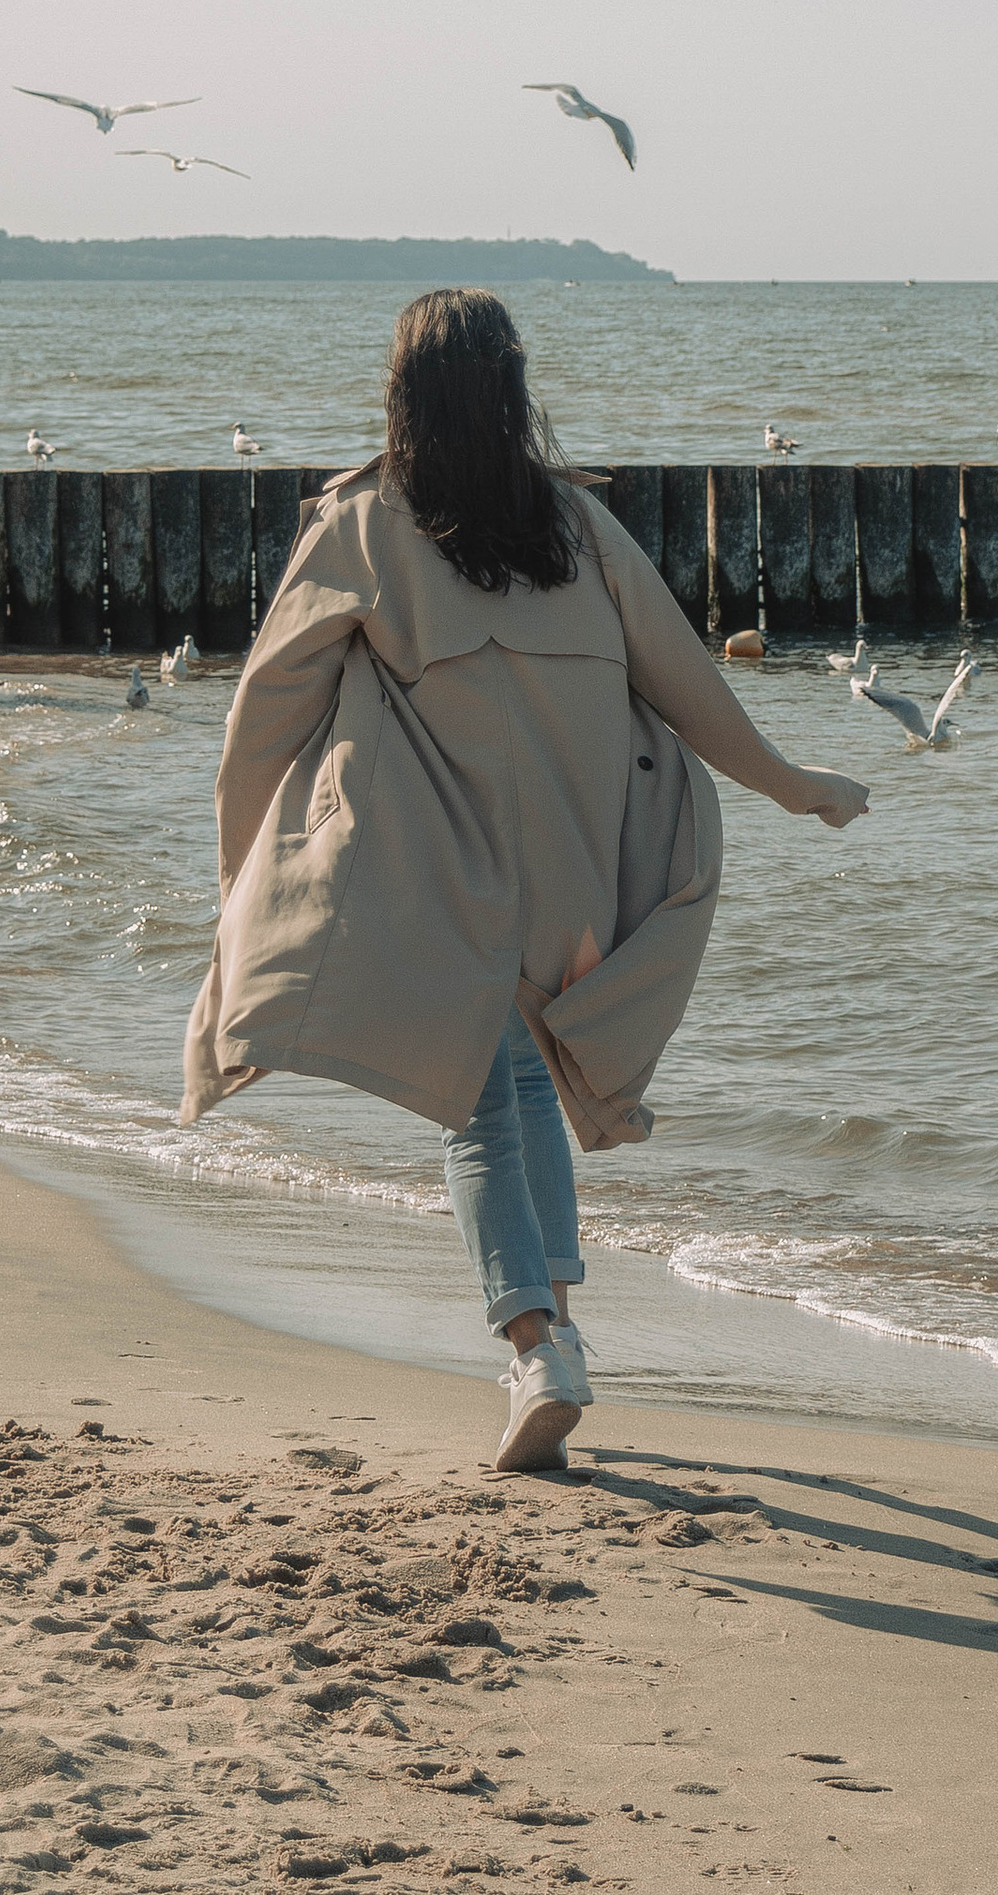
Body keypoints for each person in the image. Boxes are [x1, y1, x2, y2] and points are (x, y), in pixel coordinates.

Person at [181, 289, 867, 1467]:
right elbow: (688, 684)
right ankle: (558, 1327)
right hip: (577, 860)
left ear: (404, 395)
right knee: (526, 1081)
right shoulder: (577, 527)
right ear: (511, 392)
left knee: (482, 1100)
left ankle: (536, 1343)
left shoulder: (361, 524)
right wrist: (790, 784)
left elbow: (264, 718)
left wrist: (244, 881)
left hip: (440, 858)